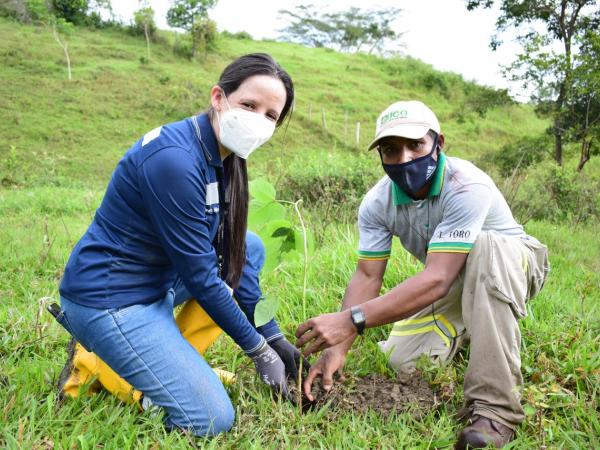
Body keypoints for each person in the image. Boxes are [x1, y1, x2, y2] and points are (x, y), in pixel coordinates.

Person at [54, 53, 305, 437]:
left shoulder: (224, 156)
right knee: (209, 418)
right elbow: (204, 279)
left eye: (271, 115)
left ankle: (173, 364)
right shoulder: (174, 159)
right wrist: (259, 351)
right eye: (249, 105)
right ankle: (99, 365)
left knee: (249, 247)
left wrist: (273, 336)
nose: (258, 120)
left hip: (157, 282)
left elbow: (232, 254)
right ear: (219, 97)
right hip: (112, 301)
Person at [295, 100, 549, 449]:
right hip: (456, 280)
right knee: (402, 361)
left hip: (514, 266)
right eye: (391, 150)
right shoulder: (376, 202)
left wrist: (351, 320)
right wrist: (338, 346)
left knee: (487, 246)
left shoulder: (465, 185)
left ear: (438, 143)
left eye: (415, 145)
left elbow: (436, 279)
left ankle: (495, 411)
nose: (404, 159)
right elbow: (368, 275)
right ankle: (475, 329)